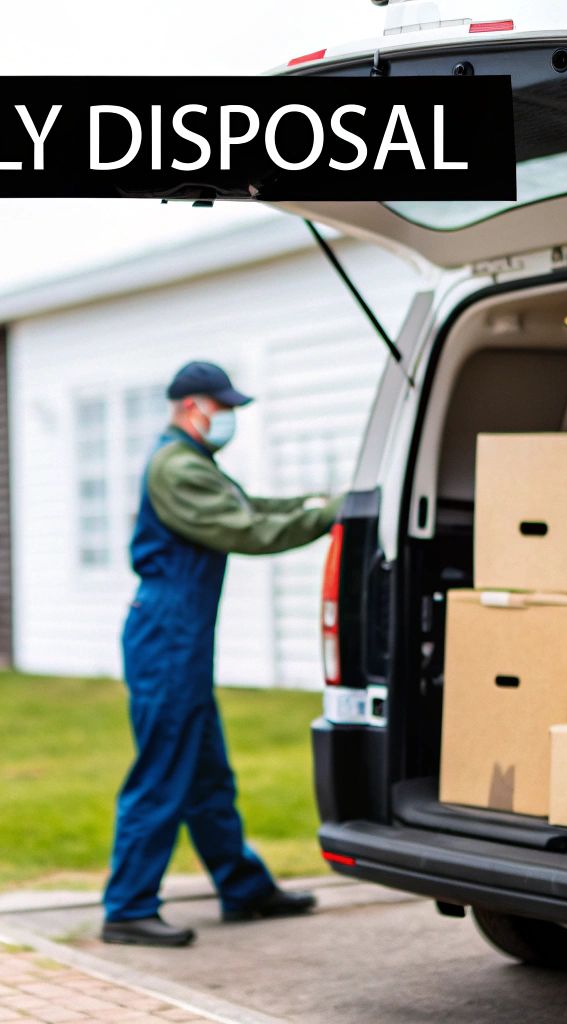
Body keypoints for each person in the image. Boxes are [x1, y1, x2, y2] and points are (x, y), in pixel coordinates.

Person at [101, 360, 344, 948]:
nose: (228, 418)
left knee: (207, 770)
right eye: (223, 407)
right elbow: (248, 531)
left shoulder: (195, 463)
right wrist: (331, 515)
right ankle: (128, 908)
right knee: (163, 768)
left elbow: (254, 507)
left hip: (180, 634)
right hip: (167, 634)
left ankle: (243, 888)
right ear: (193, 407)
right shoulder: (176, 467)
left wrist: (327, 503)